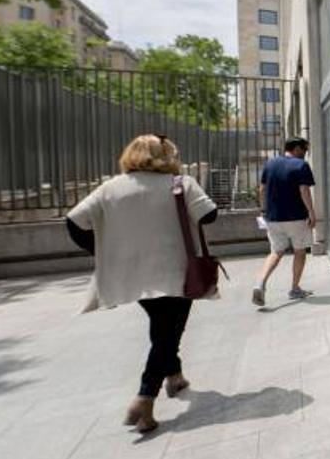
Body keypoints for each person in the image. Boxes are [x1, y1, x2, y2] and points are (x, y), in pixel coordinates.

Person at [66, 134, 218, 434]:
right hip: (175, 270)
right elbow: (210, 215)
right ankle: (145, 398)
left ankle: (174, 375)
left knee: (162, 327)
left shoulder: (110, 188)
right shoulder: (180, 183)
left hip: (131, 273)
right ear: (166, 156)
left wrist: (101, 249)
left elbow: (73, 222)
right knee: (169, 331)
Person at [252, 137, 317, 306]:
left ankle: (260, 284)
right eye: (304, 150)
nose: (305, 154)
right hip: (296, 218)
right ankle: (295, 288)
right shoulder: (301, 165)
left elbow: (261, 189)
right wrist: (311, 212)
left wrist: (263, 209)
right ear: (296, 148)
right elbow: (304, 190)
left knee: (276, 251)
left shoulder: (270, 164)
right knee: (300, 251)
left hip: (273, 218)